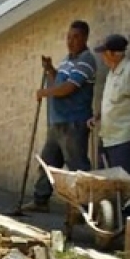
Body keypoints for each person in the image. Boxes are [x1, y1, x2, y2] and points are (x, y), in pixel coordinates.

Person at [30, 20, 97, 212]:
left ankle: (85, 208)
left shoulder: (86, 60)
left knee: (77, 167)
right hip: (57, 122)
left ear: (85, 38)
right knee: (48, 163)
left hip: (73, 123)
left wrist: (45, 92)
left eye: (76, 37)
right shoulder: (67, 60)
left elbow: (68, 88)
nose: (71, 41)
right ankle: (40, 201)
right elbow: (58, 82)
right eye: (68, 37)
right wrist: (51, 70)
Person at [91, 33, 130, 215]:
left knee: (126, 190)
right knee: (109, 188)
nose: (102, 56)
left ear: (113, 53)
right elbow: (113, 102)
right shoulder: (112, 73)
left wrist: (126, 121)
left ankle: (127, 227)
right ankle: (112, 225)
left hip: (124, 139)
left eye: (105, 52)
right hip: (107, 138)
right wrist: (98, 117)